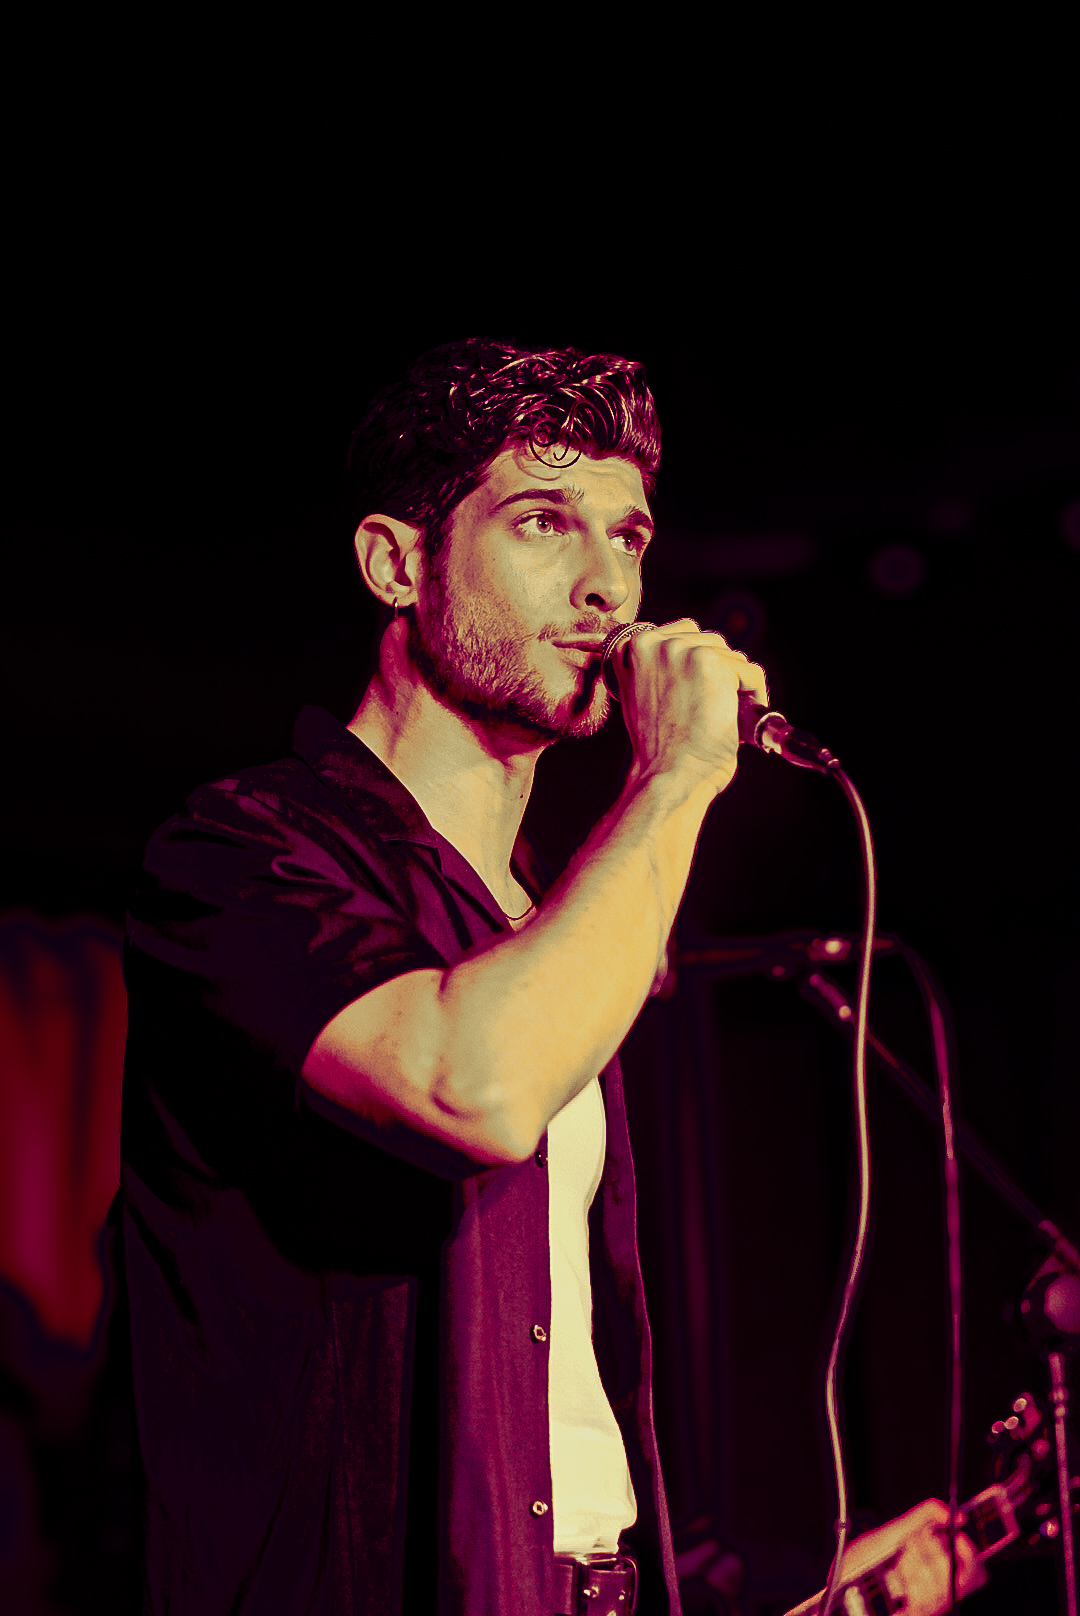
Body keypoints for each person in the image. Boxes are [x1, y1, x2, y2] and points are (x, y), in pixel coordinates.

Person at [120, 338, 982, 1616]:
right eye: (542, 521)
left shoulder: (544, 921)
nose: (607, 586)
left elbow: (556, 1413)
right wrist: (678, 776)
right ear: (395, 563)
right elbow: (472, 1087)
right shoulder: (239, 852)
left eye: (628, 537)